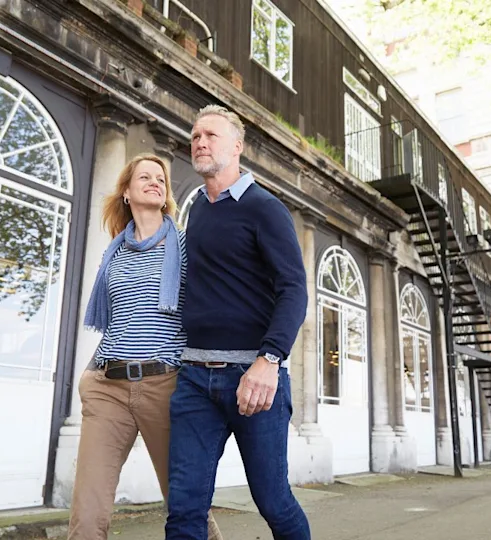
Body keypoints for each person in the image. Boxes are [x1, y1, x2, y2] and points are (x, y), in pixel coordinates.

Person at [164, 105, 310, 540]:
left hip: (253, 378)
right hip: (193, 380)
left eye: (210, 134)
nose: (200, 141)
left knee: (273, 501)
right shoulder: (199, 214)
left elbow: (293, 290)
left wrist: (269, 359)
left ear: (237, 146)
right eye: (194, 136)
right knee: (185, 508)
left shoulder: (265, 209)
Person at [67, 153, 222, 540]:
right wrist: (89, 375)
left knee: (187, 503)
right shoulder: (113, 254)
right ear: (126, 192)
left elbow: (210, 306)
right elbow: (118, 319)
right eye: (145, 177)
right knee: (87, 514)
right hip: (108, 386)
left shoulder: (186, 246)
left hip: (165, 384)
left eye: (161, 178)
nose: (155, 181)